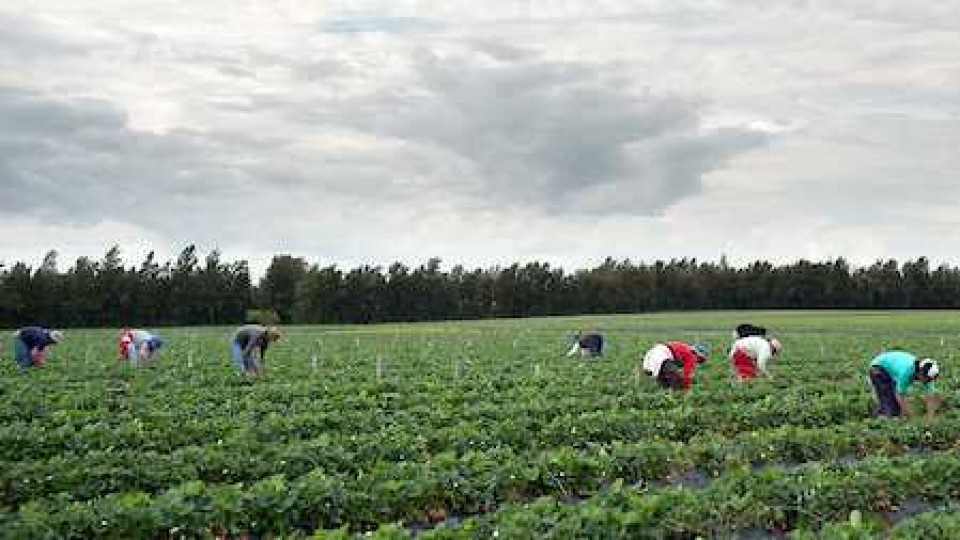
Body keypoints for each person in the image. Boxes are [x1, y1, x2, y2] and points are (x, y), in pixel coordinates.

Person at [869, 350, 941, 419]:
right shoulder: (907, 371)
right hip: (878, 368)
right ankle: (881, 417)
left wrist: (930, 415)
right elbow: (900, 394)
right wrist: (909, 414)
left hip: (891, 370)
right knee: (889, 407)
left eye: (928, 379)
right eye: (926, 378)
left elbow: (930, 396)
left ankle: (881, 410)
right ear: (921, 372)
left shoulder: (928, 375)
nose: (926, 381)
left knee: (896, 408)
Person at [640, 341, 709, 390]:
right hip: (661, 356)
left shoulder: (684, 348)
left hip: (650, 356)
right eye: (699, 360)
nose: (696, 362)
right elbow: (687, 374)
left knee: (665, 384)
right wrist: (687, 389)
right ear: (698, 355)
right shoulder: (691, 355)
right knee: (677, 382)